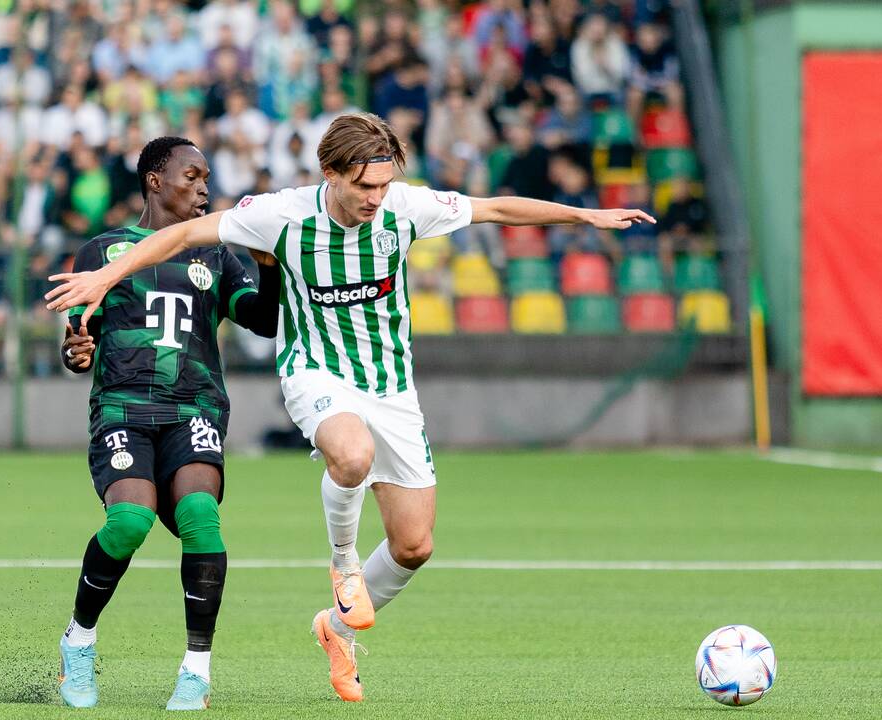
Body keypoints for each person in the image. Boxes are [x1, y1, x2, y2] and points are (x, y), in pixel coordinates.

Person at [45, 112, 654, 703]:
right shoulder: (281, 212)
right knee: (349, 455)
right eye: (365, 185)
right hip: (313, 373)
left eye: (385, 184)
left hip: (391, 389)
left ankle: (333, 630)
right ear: (331, 173)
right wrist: (104, 278)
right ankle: (342, 572)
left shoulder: (404, 208)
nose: (376, 197)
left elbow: (495, 207)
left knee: (415, 546)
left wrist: (586, 214)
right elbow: (178, 236)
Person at [53, 136, 280, 711]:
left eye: (207, 176)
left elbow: (263, 319)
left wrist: (268, 268)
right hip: (123, 407)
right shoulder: (103, 251)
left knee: (200, 515)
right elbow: (80, 339)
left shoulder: (217, 253)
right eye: (192, 175)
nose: (204, 187)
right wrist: (76, 352)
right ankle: (79, 643)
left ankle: (196, 671)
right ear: (155, 180)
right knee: (129, 520)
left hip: (194, 408)